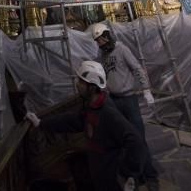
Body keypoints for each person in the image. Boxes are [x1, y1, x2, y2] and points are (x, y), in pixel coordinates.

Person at [26, 60, 146, 191]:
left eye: (81, 82)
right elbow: (73, 121)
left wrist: (130, 175)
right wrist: (41, 123)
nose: (77, 84)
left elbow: (135, 140)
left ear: (92, 87)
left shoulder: (108, 113)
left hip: (111, 177)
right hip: (99, 172)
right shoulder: (92, 106)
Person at [91, 24, 159, 191]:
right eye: (97, 40)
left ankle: (151, 177)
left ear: (108, 35)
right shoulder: (103, 55)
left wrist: (146, 90)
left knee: (139, 139)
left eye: (102, 38)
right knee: (124, 141)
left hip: (129, 100)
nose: (100, 43)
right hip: (114, 101)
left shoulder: (121, 49)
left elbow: (137, 68)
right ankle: (136, 177)